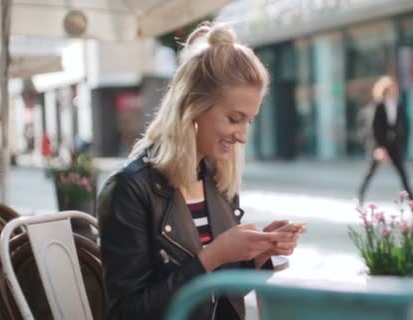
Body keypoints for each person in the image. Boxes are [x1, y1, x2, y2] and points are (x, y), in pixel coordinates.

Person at [97, 22, 304, 320]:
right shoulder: (129, 188)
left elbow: (220, 297)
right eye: (234, 119)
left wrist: (260, 252)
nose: (242, 136)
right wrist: (214, 255)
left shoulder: (217, 178)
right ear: (192, 106)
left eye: (249, 121)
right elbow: (128, 312)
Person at [357, 76, 413, 206]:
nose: (394, 90)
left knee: (402, 173)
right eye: (391, 88)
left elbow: (403, 125)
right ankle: (360, 196)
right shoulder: (378, 105)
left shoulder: (398, 105)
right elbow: (374, 127)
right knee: (370, 172)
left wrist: (401, 142)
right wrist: (378, 147)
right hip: (381, 145)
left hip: (394, 145)